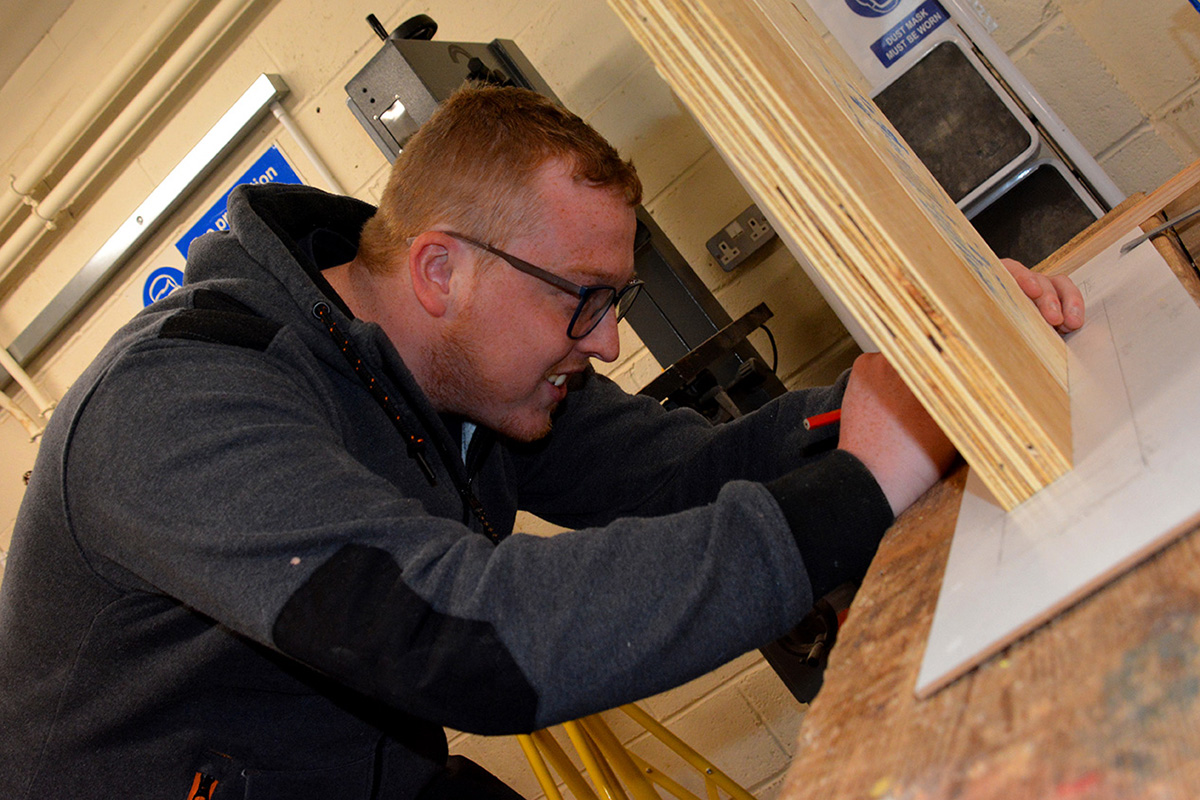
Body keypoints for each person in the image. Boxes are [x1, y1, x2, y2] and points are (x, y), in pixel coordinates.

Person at [0, 86, 1083, 799]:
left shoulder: (460, 375)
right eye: (585, 300)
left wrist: (900, 388)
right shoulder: (172, 414)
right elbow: (470, 634)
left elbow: (680, 470)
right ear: (442, 272)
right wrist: (867, 484)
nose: (607, 343)